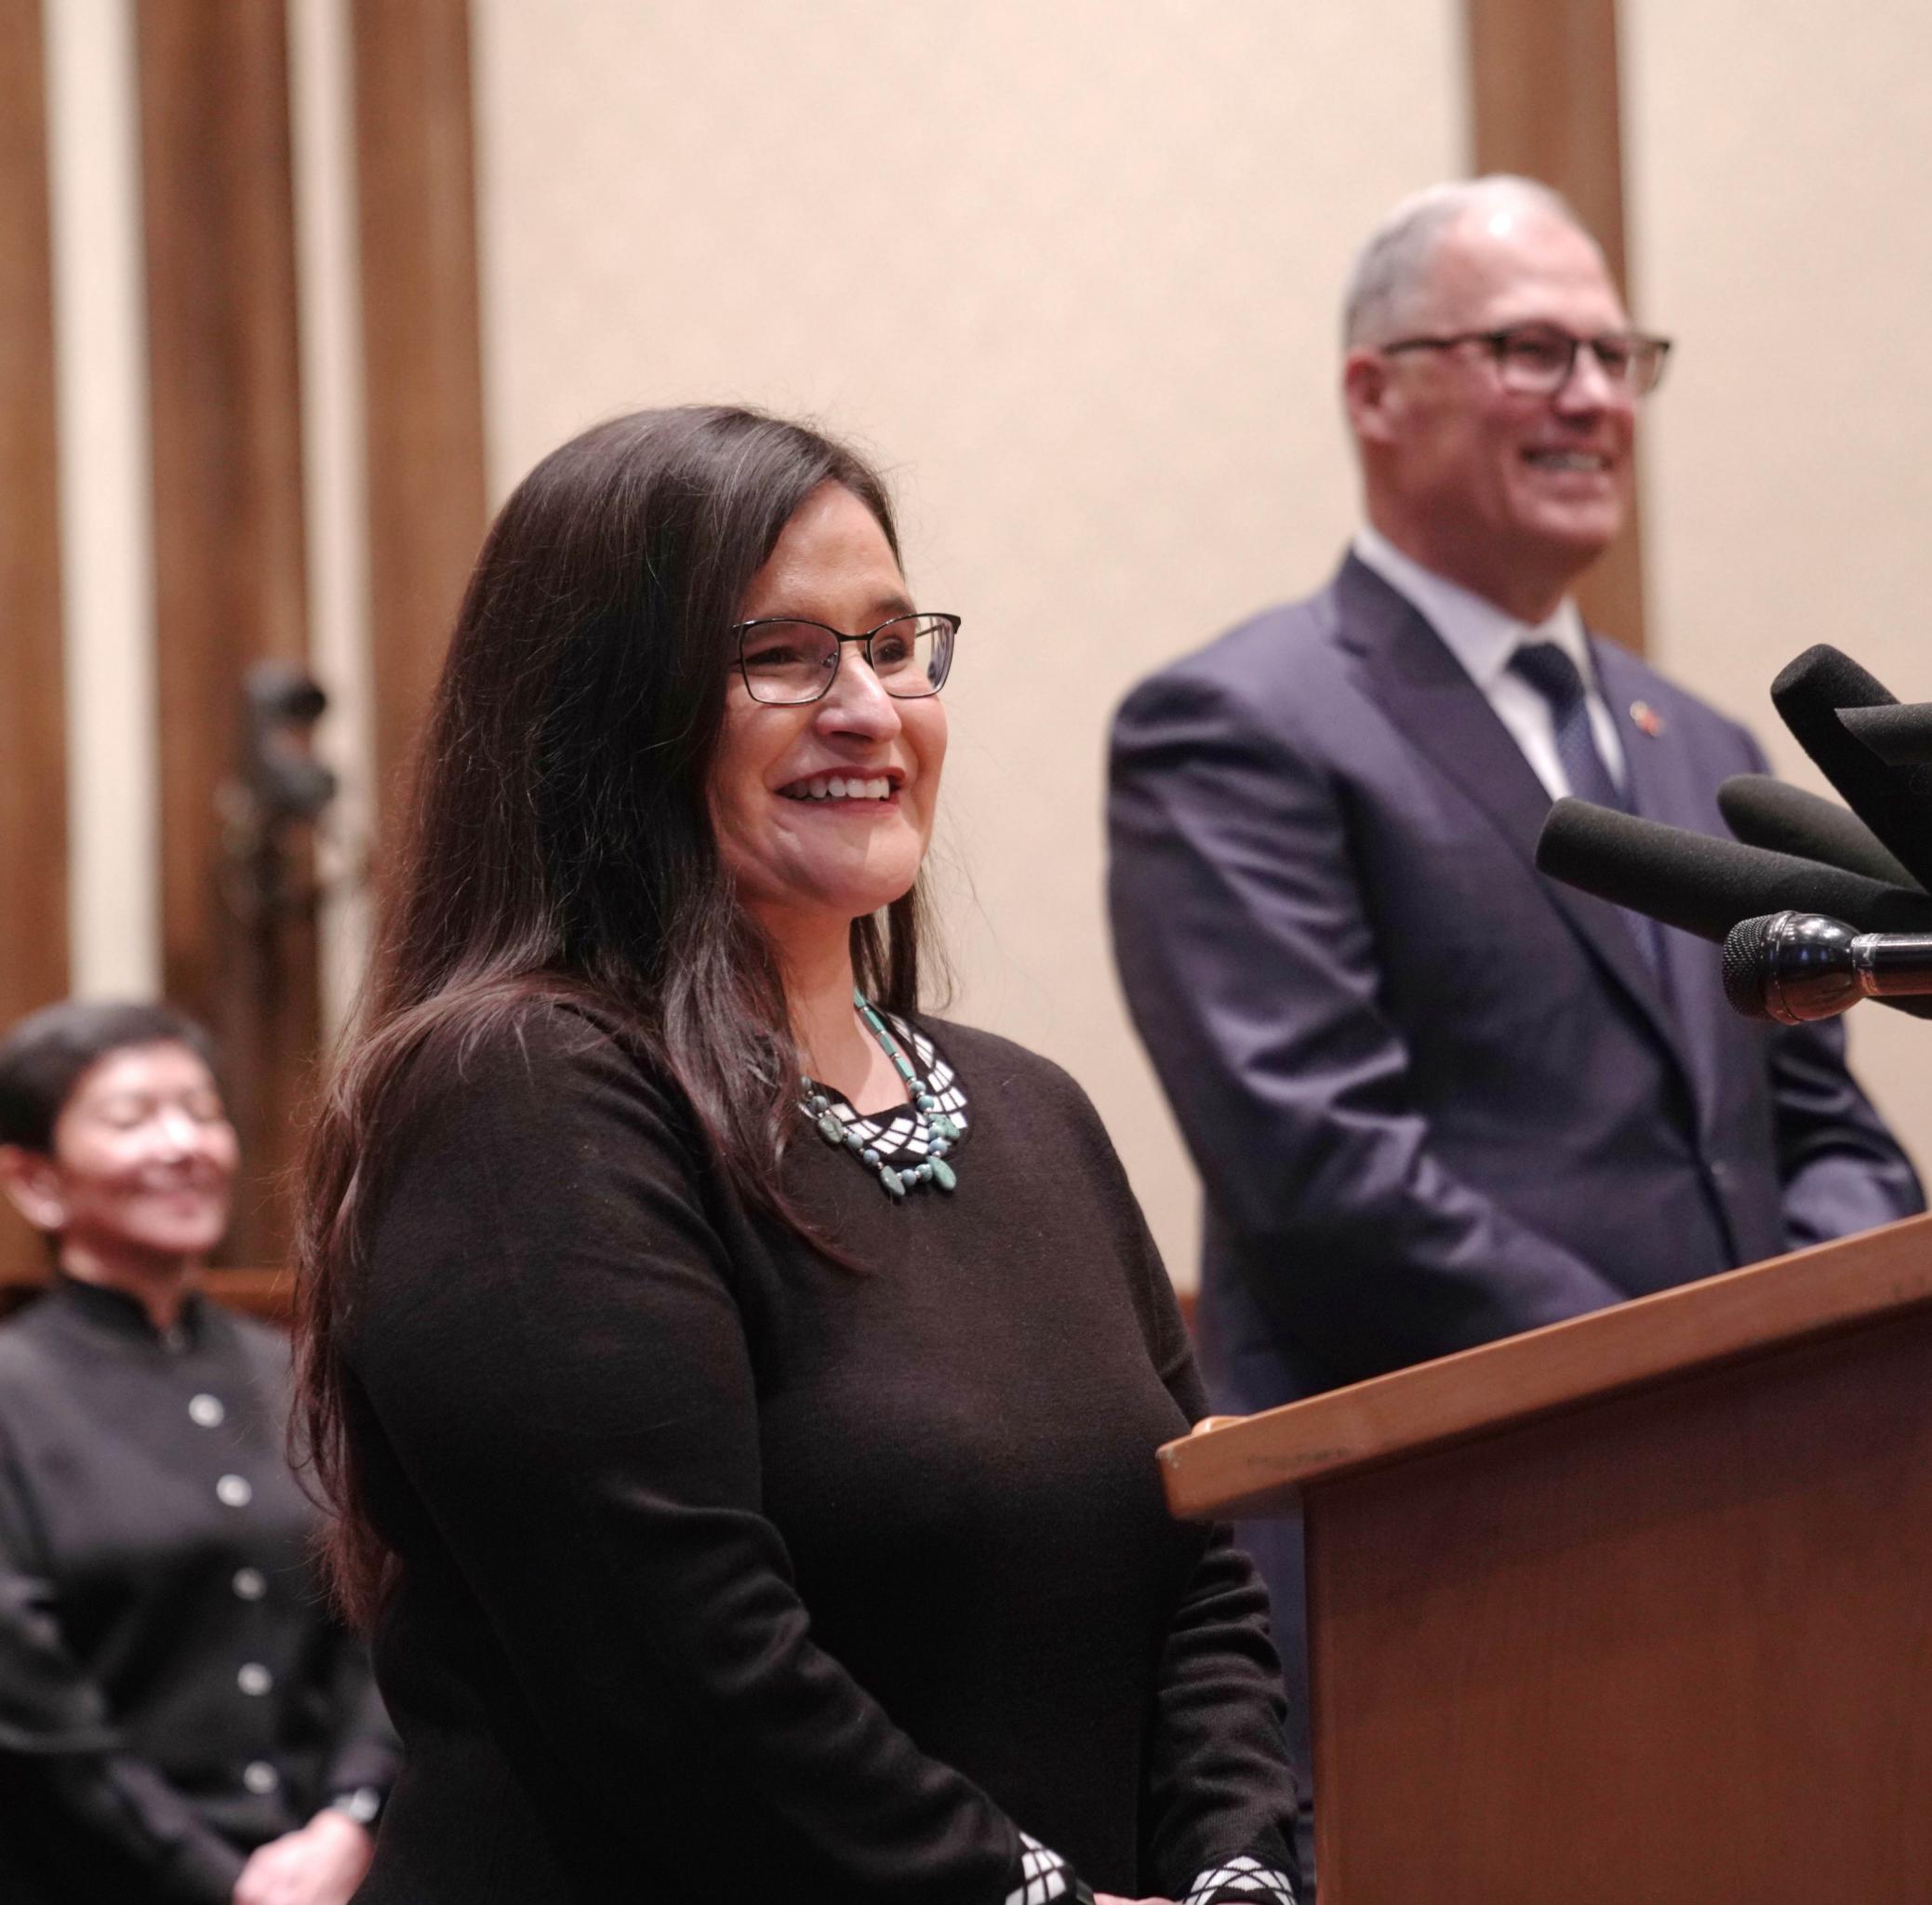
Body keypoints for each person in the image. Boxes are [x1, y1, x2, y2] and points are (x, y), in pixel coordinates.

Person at [290, 406, 1298, 1905]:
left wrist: (1238, 1874)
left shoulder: (1029, 1109)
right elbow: (683, 1671)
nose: (869, 710)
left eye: (893, 645)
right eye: (782, 655)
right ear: (604, 714)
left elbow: (1199, 1585)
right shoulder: (521, 1093)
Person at [1105, 176, 1925, 1863]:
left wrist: (1839, 1301)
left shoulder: (1703, 750)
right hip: (1441, 1550)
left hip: (1764, 1530)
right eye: (1531, 350)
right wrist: (1687, 1373)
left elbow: (1821, 1123)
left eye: (1621, 356)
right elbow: (1324, 1170)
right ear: (1374, 390)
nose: (1594, 396)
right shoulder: (1240, 726)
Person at [0, 1000, 396, 1905]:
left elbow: (383, 1601)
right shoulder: (13, 1392)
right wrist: (217, 1880)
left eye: (201, 1109)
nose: (184, 1142)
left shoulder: (296, 1368)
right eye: (134, 1117)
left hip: (338, 1873)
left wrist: (350, 1816)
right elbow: (27, 1702)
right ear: (36, 1180)